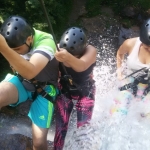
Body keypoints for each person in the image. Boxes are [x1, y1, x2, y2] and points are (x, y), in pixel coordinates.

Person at [0, 15, 59, 150]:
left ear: (29, 39)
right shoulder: (16, 42)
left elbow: (30, 71)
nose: (14, 54)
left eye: (17, 50)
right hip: (21, 82)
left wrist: (4, 49)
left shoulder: (46, 41)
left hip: (45, 90)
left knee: (38, 143)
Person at [53, 27, 97, 150]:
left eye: (76, 55)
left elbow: (81, 66)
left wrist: (67, 57)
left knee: (83, 130)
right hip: (65, 90)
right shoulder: (57, 48)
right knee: (60, 129)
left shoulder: (91, 50)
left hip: (85, 91)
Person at [110, 18, 150, 115]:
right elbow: (119, 53)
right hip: (130, 83)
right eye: (147, 46)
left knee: (146, 118)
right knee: (117, 114)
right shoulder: (130, 43)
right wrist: (119, 72)